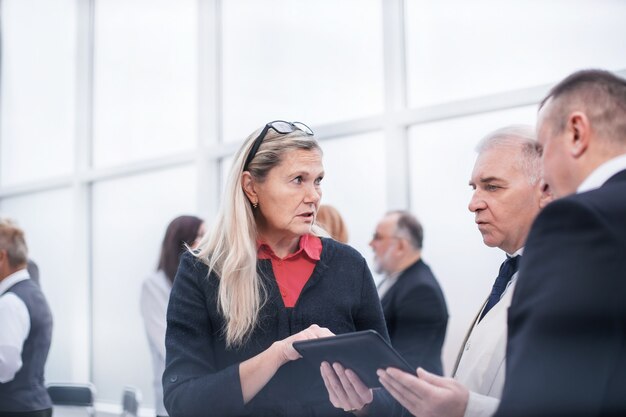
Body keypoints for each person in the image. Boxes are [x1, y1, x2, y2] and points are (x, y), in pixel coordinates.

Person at [321, 126, 551, 417]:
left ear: (545, 189)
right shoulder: (511, 273)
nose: (473, 204)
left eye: (492, 187)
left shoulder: (572, 284)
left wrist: (466, 408)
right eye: (474, 188)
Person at [162, 120, 388, 417]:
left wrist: (365, 403)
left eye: (317, 180)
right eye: (298, 180)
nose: (314, 196)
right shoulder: (202, 271)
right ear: (251, 187)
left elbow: (391, 391)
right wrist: (278, 354)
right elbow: (183, 401)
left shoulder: (349, 266)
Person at [494, 70, 626, 417]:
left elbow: (543, 395)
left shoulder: (579, 220)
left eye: (542, 148)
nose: (544, 177)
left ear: (576, 132)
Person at [140, 215, 205, 417]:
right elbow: (170, 344)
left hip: (206, 397)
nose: (207, 242)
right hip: (174, 400)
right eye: (200, 235)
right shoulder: (154, 286)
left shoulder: (204, 282)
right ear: (182, 242)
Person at [371, 210, 448, 375]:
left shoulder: (421, 291)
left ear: (400, 246)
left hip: (410, 397)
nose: (371, 243)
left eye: (377, 237)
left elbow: (405, 365)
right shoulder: (393, 280)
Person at [0, 218, 53, 417]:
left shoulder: (10, 302)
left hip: (14, 408)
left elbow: (6, 367)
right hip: (35, 405)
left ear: (2, 257)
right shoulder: (34, 294)